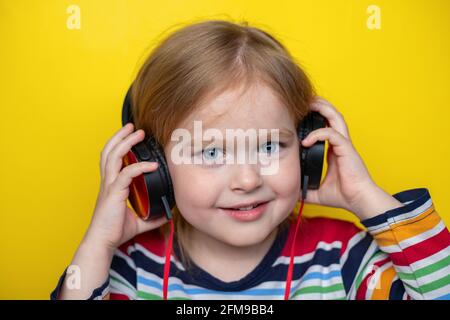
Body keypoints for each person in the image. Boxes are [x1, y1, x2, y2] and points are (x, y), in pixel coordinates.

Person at [51, 20, 450, 300]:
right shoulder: (130, 269)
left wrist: (365, 196)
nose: (246, 179)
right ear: (153, 168)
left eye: (269, 147)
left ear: (309, 149)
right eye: (210, 152)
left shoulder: (343, 258)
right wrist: (97, 244)